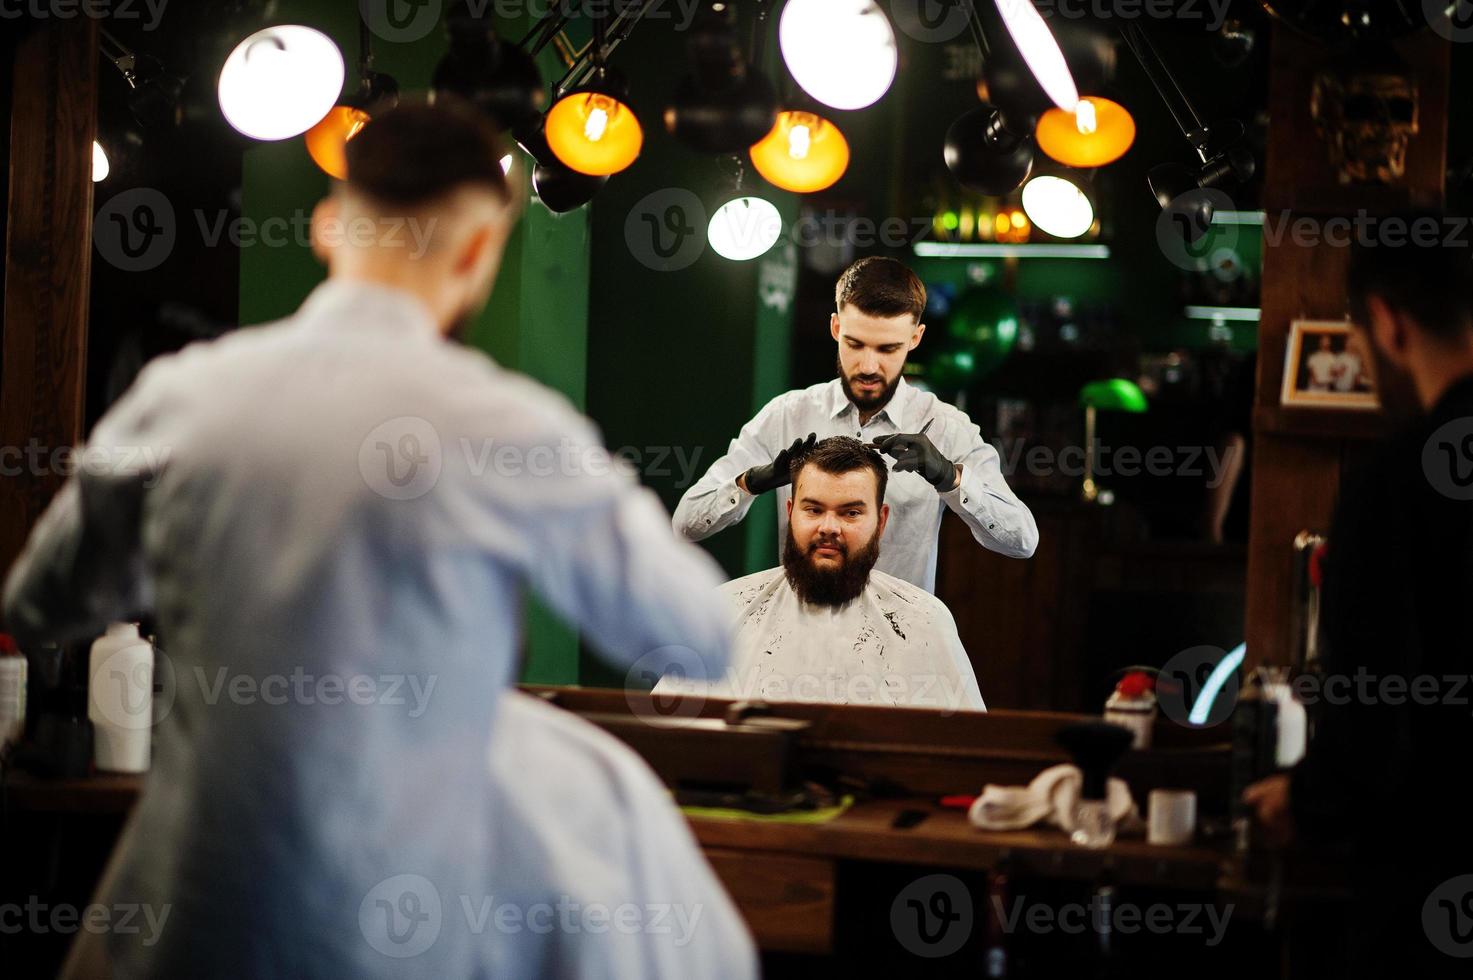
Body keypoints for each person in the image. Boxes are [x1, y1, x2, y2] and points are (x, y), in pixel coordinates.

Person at [4, 100, 746, 978]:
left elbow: (39, 603)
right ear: (479, 253)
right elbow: (699, 636)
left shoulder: (179, 397)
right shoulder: (506, 429)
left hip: (191, 924)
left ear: (326, 227)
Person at [1243, 215, 1473, 978]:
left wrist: (1305, 800)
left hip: (1428, 873)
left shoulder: (1396, 478)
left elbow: (1374, 714)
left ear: (1383, 320)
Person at [673, 257, 1037, 594]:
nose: (867, 366)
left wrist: (951, 479)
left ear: (915, 338)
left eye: (887, 349)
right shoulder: (786, 415)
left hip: (896, 647)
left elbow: (1022, 540)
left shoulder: (945, 427)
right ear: (835, 327)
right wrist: (752, 481)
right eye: (854, 343)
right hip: (798, 640)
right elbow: (686, 523)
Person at [659, 438, 985, 712]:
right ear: (791, 513)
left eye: (851, 512)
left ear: (881, 522)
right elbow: (668, 739)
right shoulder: (727, 609)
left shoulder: (923, 621)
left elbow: (963, 757)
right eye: (813, 510)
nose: (829, 528)